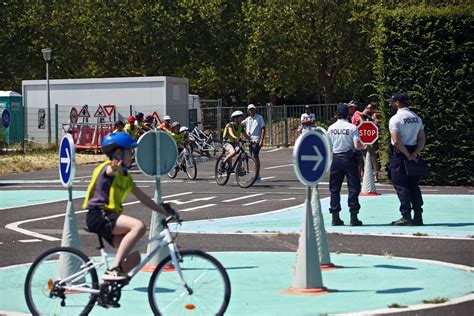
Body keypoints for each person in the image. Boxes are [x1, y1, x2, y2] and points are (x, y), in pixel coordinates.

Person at [83, 132, 175, 281]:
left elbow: (143, 198)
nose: (132, 155)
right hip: (99, 215)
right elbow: (110, 171)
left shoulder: (126, 176)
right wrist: (114, 168)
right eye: (130, 151)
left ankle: (108, 287)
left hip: (109, 218)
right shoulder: (108, 168)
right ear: (119, 152)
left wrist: (164, 211)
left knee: (134, 258)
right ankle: (114, 268)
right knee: (138, 226)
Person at [387, 93, 425, 226]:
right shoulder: (416, 118)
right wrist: (414, 153)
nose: (391, 104)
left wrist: (406, 154)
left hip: (399, 155)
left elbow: (396, 141)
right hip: (413, 153)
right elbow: (422, 139)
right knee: (414, 185)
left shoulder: (395, 119)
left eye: (392, 102)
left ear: (397, 103)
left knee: (401, 186)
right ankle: (418, 216)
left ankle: (406, 216)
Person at [326, 103, 365, 226]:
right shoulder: (352, 128)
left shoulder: (331, 128)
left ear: (336, 114)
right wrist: (364, 146)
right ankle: (354, 217)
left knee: (334, 189)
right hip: (349, 159)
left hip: (336, 158)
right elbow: (356, 146)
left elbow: (328, 146)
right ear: (348, 114)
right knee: (353, 188)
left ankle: (335, 217)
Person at [242, 104, 266, 181]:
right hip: (250, 140)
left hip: (256, 140)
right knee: (253, 157)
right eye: (250, 109)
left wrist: (261, 140)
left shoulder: (259, 118)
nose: (251, 111)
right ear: (248, 111)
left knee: (255, 157)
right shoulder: (248, 119)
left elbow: (263, 129)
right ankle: (256, 174)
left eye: (252, 109)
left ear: (255, 110)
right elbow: (240, 123)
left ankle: (257, 175)